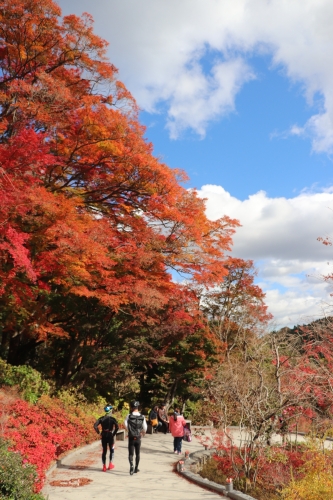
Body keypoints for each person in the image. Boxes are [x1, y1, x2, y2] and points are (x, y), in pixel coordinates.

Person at [124, 400, 147, 475]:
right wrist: (142, 432)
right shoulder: (142, 416)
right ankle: (136, 468)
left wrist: (129, 430)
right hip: (138, 436)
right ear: (138, 407)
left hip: (131, 436)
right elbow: (145, 427)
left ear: (131, 407)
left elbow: (125, 424)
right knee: (138, 453)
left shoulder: (129, 416)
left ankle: (131, 466)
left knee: (131, 454)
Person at [94, 405, 119, 472]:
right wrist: (113, 434)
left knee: (104, 451)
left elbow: (95, 426)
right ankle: (110, 464)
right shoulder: (113, 419)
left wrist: (99, 433)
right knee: (112, 450)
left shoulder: (101, 418)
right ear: (110, 410)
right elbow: (117, 427)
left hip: (104, 435)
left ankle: (104, 466)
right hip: (110, 435)